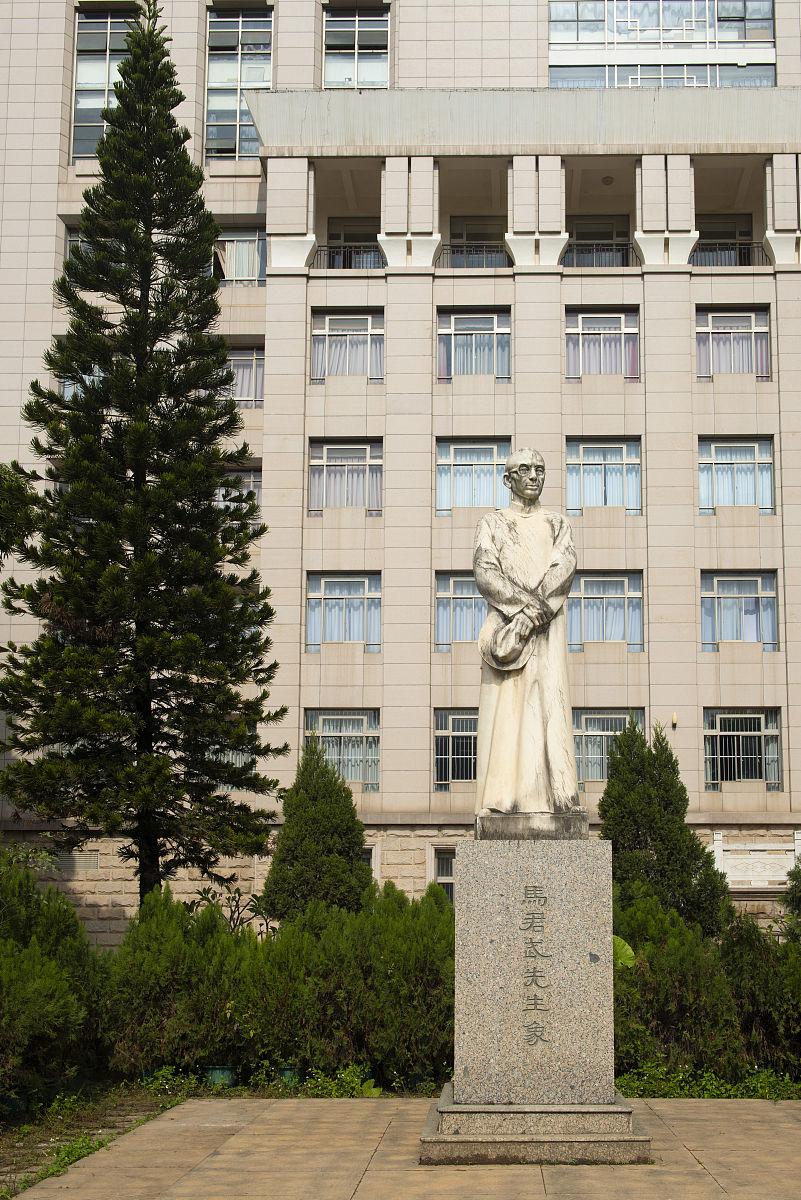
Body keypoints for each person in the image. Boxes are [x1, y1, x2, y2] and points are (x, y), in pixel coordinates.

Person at [473, 447, 581, 815]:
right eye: (525, 469)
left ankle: (556, 800)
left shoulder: (558, 524)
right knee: (508, 712)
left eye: (540, 468)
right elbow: (485, 572)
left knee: (548, 708)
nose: (534, 475)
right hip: (507, 630)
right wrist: (522, 610)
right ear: (509, 479)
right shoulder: (493, 523)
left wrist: (533, 615)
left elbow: (563, 569)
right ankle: (502, 800)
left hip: (546, 634)